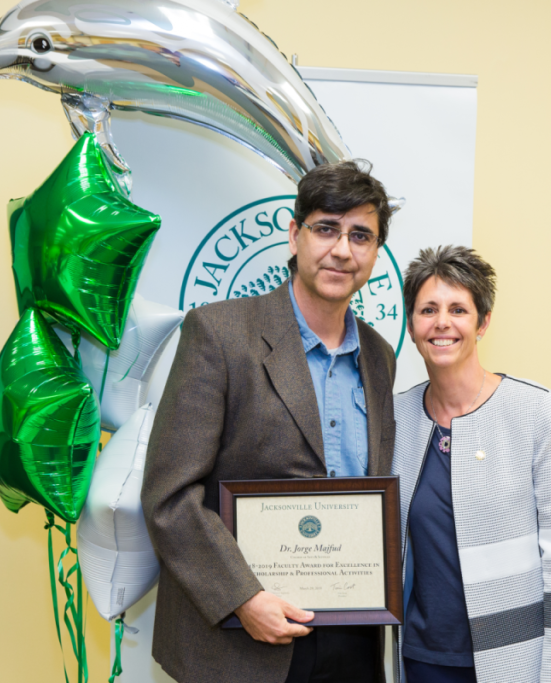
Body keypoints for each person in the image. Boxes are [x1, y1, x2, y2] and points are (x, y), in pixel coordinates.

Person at [142, 160, 398, 683]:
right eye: (326, 228)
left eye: (361, 235)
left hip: (352, 638)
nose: (342, 250)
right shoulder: (219, 332)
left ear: (375, 252)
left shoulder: (378, 355)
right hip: (240, 644)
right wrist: (242, 598)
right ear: (294, 235)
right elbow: (169, 495)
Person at [391, 246, 551, 683]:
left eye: (458, 309)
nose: (442, 323)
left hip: (518, 661)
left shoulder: (539, 412)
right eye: (427, 310)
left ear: (483, 322)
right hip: (423, 662)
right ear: (411, 325)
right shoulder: (394, 419)